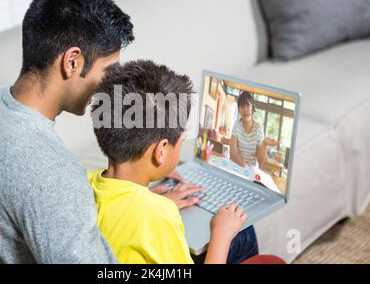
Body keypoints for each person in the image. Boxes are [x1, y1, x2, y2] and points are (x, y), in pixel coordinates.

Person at [0, 0, 195, 264]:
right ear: (72, 62)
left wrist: (139, 206)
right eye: (109, 71)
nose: (112, 85)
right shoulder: (51, 174)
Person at [88, 60, 258, 263]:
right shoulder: (159, 214)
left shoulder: (86, 182)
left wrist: (149, 200)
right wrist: (221, 235)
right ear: (160, 151)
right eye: (182, 139)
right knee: (244, 234)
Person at [230, 91, 278, 168]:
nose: (245, 109)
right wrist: (241, 163)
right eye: (242, 106)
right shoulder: (237, 125)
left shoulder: (259, 128)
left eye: (248, 106)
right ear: (239, 109)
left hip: (250, 169)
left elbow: (260, 161)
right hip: (236, 165)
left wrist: (264, 144)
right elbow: (233, 153)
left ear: (252, 107)